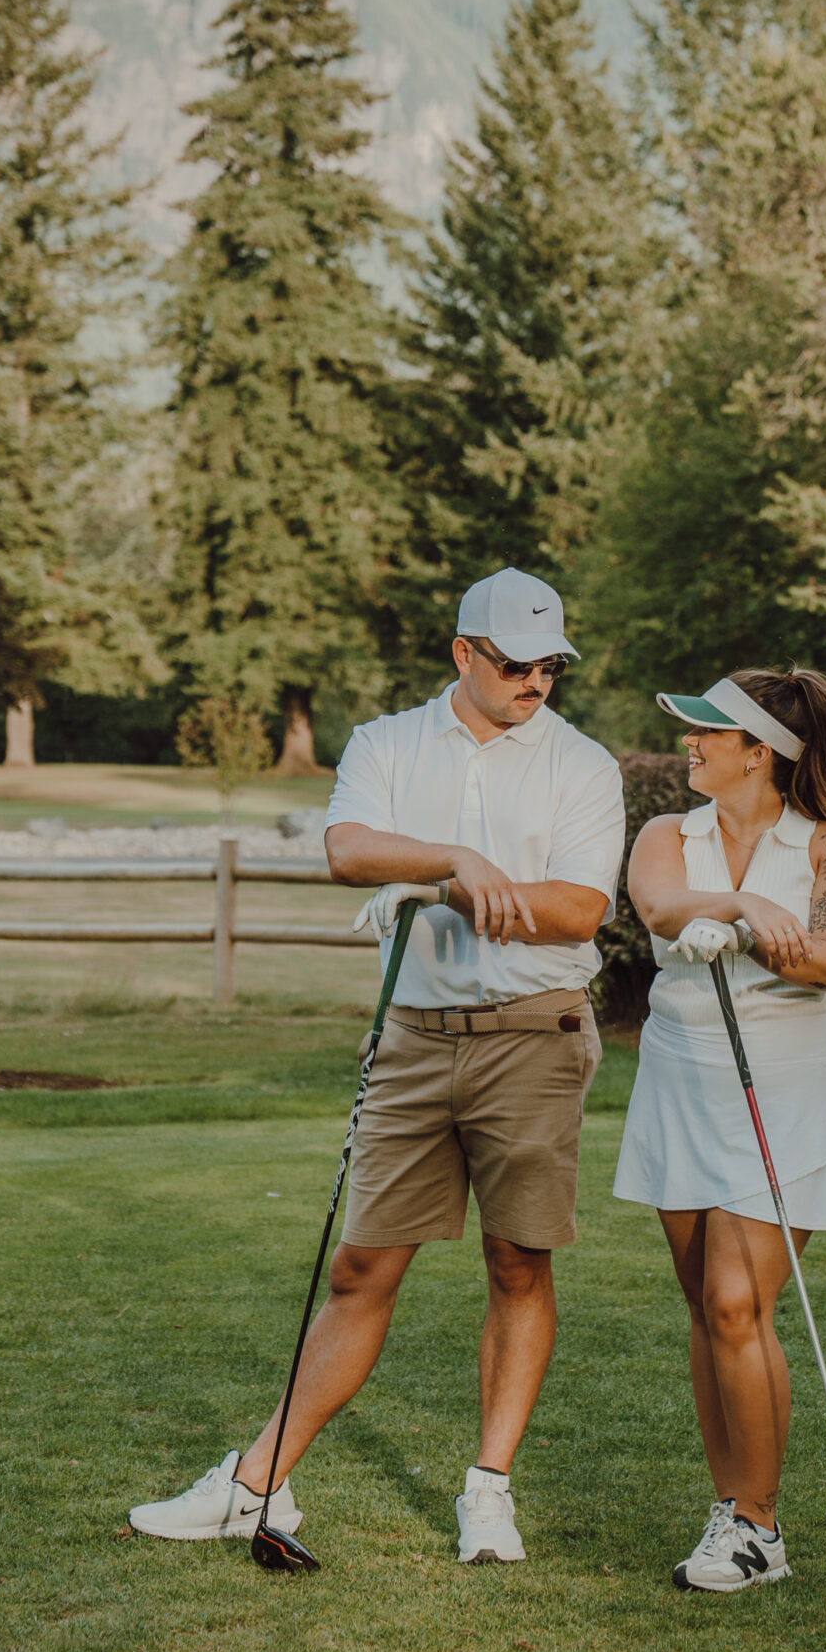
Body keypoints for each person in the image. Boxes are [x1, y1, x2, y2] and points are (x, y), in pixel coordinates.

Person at [129, 567, 626, 1565]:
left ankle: (488, 1492)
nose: (537, 681)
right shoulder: (387, 742)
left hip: (535, 1033)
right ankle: (257, 1486)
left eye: (551, 665)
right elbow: (347, 847)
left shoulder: (583, 764)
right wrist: (450, 856)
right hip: (411, 1037)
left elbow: (580, 908)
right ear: (464, 654)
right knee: (362, 1265)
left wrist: (445, 887)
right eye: (517, 663)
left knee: (517, 1259)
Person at [614, 666, 826, 1596]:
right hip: (682, 1079)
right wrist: (734, 905)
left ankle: (761, 1525)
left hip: (788, 1087)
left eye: (706, 732)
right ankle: (732, 1507)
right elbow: (655, 908)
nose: (687, 743)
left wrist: (753, 935)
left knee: (735, 1302)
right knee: (704, 1304)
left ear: (757, 751)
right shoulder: (662, 833)